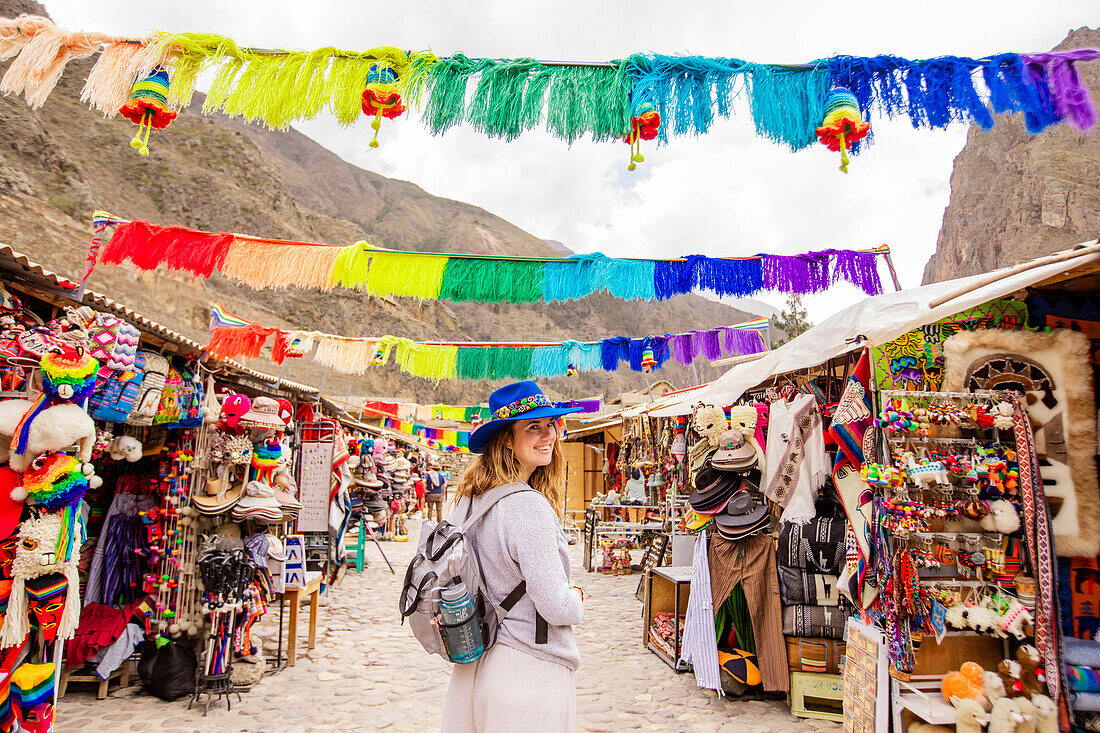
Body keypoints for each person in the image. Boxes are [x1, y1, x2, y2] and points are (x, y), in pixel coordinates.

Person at [442, 381, 585, 733]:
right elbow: (554, 606)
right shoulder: (527, 506)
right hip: (528, 671)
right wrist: (577, 600)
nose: (547, 435)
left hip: (477, 664)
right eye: (532, 427)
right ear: (507, 439)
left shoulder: (469, 501)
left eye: (549, 424)